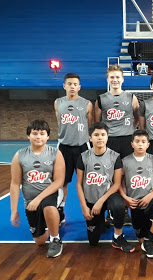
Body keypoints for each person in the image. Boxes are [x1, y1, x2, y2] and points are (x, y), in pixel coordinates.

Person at [75, 122, 135, 253]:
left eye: (103, 134)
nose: (100, 138)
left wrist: (101, 201)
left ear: (107, 137)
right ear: (90, 138)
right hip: (91, 199)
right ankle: (102, 221)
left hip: (108, 196)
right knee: (93, 241)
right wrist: (84, 207)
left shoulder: (115, 156)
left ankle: (118, 236)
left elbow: (117, 183)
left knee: (118, 206)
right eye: (96, 135)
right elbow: (79, 184)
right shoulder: (83, 157)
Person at [10, 120, 65, 258]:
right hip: (30, 200)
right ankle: (50, 222)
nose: (38, 136)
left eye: (42, 133)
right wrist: (14, 210)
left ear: (47, 137)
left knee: (48, 206)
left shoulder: (55, 153)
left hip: (51, 193)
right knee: (40, 241)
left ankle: (55, 239)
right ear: (28, 136)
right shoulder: (19, 155)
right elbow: (15, 184)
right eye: (34, 133)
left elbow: (59, 181)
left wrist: (39, 198)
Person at [95, 64, 140, 226]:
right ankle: (110, 212)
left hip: (127, 139)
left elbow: (137, 116)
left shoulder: (131, 97)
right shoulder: (101, 99)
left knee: (126, 176)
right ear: (108, 79)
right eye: (111, 77)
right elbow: (97, 122)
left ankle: (126, 210)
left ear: (122, 79)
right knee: (108, 176)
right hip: (110, 141)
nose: (115, 80)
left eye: (117, 77)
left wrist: (128, 128)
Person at [119, 130, 153, 258]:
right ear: (132, 144)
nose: (140, 144)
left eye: (143, 142)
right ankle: (145, 238)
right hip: (135, 202)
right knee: (140, 238)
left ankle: (149, 240)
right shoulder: (125, 161)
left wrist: (151, 195)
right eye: (137, 142)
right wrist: (125, 198)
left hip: (151, 198)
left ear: (148, 144)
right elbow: (119, 182)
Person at [54, 73, 93, 225]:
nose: (72, 86)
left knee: (87, 181)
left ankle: (91, 208)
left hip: (83, 147)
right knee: (62, 181)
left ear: (79, 87)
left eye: (75, 84)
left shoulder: (87, 104)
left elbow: (90, 125)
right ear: (64, 86)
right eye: (69, 84)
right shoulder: (58, 103)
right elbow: (59, 122)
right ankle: (60, 209)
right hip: (64, 146)